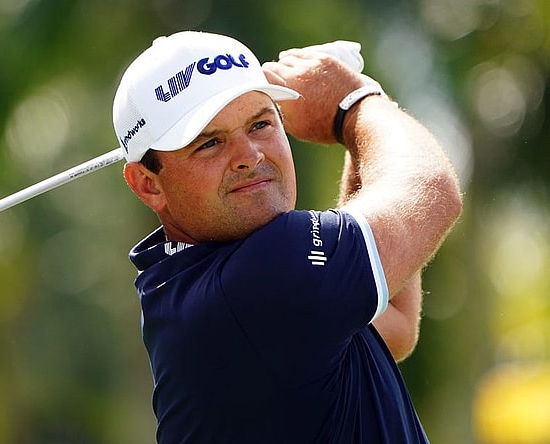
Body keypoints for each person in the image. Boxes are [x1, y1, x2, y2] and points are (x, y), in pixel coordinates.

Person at [112, 30, 462, 443]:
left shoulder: (180, 280)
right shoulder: (259, 279)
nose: (250, 156)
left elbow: (393, 324)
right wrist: (354, 103)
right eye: (209, 143)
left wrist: (354, 128)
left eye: (260, 123)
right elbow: (433, 191)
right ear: (149, 185)